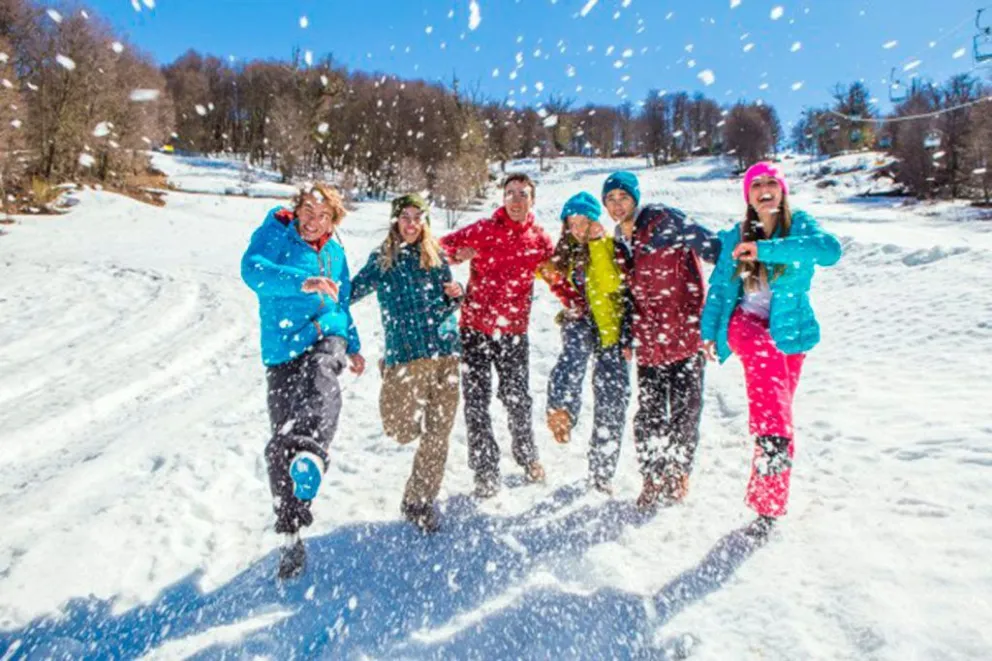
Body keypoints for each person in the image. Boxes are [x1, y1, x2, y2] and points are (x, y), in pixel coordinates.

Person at [701, 162, 841, 539]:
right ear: (748, 195)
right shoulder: (736, 235)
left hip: (790, 330)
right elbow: (720, 289)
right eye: (756, 185)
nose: (764, 189)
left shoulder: (800, 226)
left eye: (771, 183)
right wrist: (709, 331)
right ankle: (772, 451)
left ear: (782, 190)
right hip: (746, 324)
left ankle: (768, 504)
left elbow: (830, 251)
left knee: (778, 409)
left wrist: (764, 249)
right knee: (775, 419)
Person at [241, 183, 366, 579]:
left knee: (322, 374)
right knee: (281, 443)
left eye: (323, 216)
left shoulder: (335, 254)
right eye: (308, 212)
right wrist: (302, 281)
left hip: (325, 332)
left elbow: (341, 302)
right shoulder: (276, 232)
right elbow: (253, 271)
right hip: (282, 347)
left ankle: (312, 450)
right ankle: (290, 531)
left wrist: (354, 344)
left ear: (334, 221)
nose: (313, 221)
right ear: (297, 210)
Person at [602, 171, 721, 511]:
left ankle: (678, 472)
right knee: (649, 414)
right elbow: (629, 294)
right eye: (610, 200)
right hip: (649, 341)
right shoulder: (620, 241)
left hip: (685, 335)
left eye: (623, 197)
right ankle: (652, 476)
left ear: (635, 199)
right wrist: (628, 334)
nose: (617, 205)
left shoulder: (664, 220)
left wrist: (715, 317)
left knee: (685, 410)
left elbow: (714, 248)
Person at [351, 193, 463, 533]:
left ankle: (419, 501)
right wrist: (324, 300)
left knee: (437, 434)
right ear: (395, 221)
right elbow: (351, 293)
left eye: (418, 217)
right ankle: (392, 382)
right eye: (405, 217)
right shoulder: (383, 260)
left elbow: (447, 299)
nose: (412, 224)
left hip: (446, 352)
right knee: (398, 429)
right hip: (405, 356)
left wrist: (457, 294)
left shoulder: (436, 255)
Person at [439, 173, 555, 499]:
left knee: (517, 398)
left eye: (523, 194)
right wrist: (457, 256)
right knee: (476, 401)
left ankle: (527, 455)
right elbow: (439, 249)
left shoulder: (539, 239)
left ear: (532, 200)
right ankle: (485, 470)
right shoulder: (484, 229)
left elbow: (558, 274)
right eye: (510, 193)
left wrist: (575, 301)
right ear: (502, 198)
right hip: (475, 328)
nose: (516, 200)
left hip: (514, 332)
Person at [540, 192, 630, 495]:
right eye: (572, 223)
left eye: (583, 222)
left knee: (612, 398)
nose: (578, 229)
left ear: (595, 221)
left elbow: (610, 283)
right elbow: (546, 272)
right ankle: (561, 410)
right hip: (579, 322)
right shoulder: (564, 253)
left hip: (610, 329)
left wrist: (598, 244)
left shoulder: (610, 246)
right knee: (573, 354)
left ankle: (602, 472)